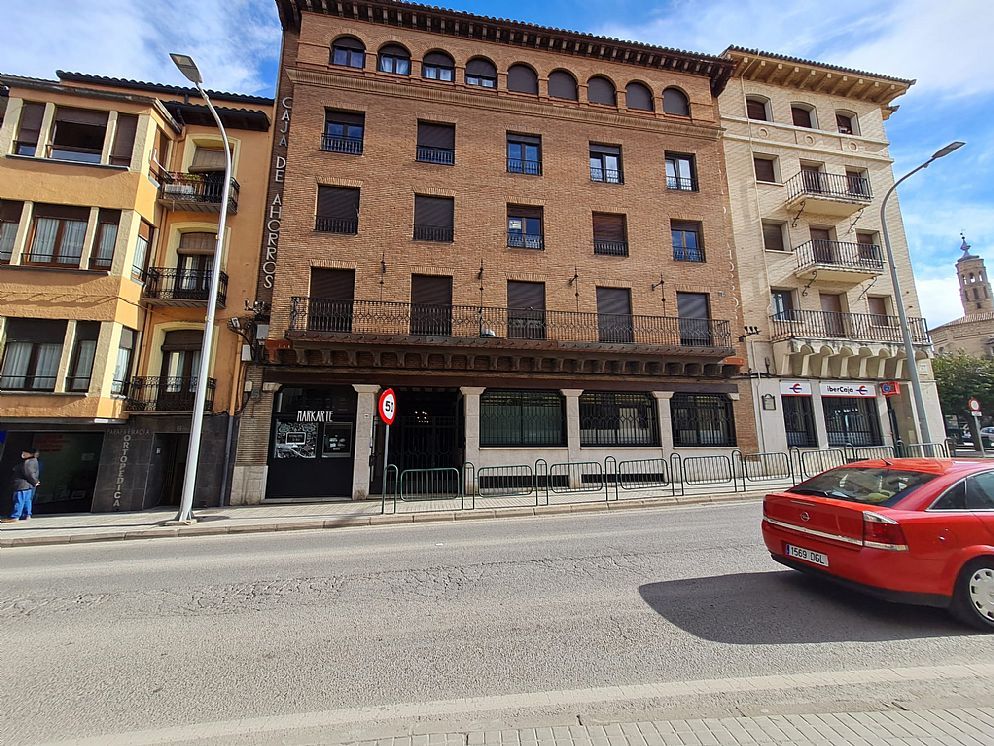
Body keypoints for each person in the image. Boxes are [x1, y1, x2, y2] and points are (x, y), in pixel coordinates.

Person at [2, 450, 40, 522]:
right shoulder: (34, 461)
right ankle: (27, 515)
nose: (23, 454)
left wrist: (34, 481)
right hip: (28, 485)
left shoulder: (27, 462)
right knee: (27, 500)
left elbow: (29, 473)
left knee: (19, 500)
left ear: (30, 454)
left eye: (25, 453)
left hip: (21, 485)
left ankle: (15, 516)